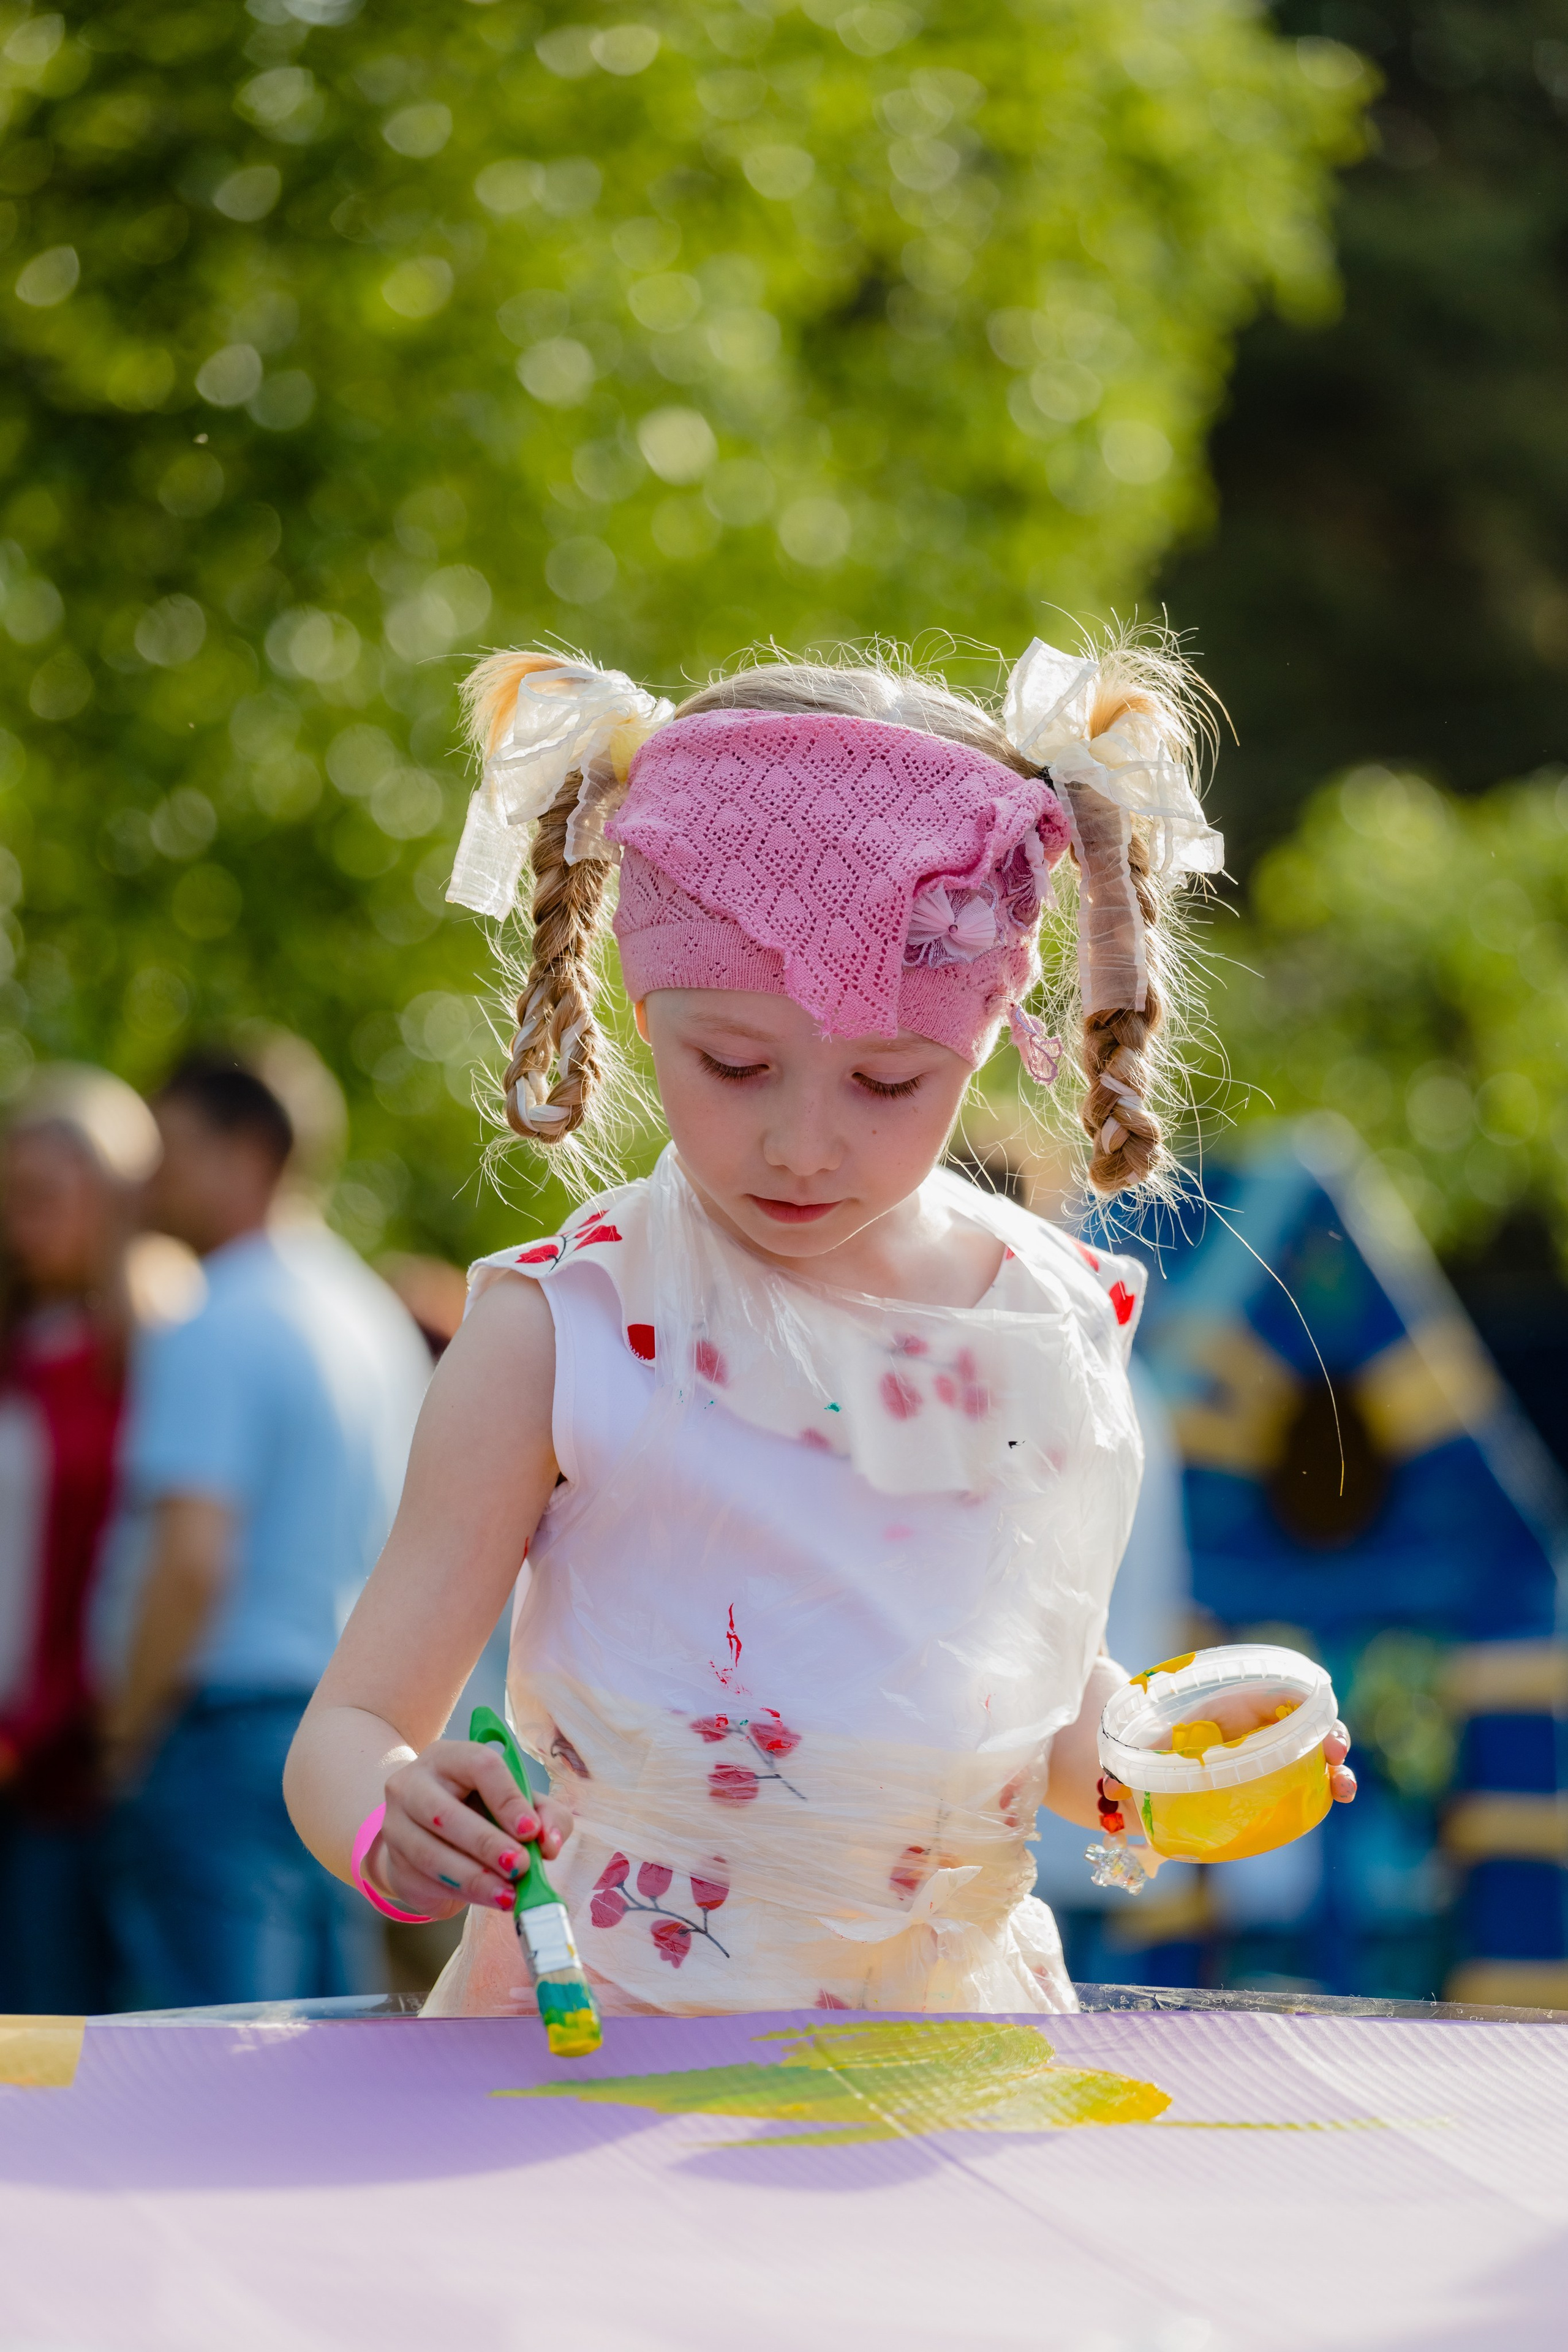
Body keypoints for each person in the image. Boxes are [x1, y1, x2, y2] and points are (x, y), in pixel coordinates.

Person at [285, 637, 1357, 2018]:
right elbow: (347, 1730)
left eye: (888, 1084)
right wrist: (396, 1816)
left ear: (983, 1042)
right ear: (638, 1000)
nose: (801, 1144)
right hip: (595, 2055)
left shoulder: (1044, 1325)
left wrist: (1152, 1760)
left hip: (943, 2071)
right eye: (734, 1066)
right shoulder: (574, 1328)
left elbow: (991, 1706)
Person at [97, 1054, 431, 2010]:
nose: (149, 1179)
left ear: (249, 1155)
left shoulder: (218, 1320)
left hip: (223, 1737)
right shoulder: (368, 1319)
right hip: (350, 1746)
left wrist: (125, 1737)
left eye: (173, 1150)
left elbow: (191, 1560)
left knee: (199, 2080)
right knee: (319, 2080)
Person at [0, 1066, 162, 2014]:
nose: (23, 1222)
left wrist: (41, 1725)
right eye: (13, 1196)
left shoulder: (160, 1346)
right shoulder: (19, 1346)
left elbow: (128, 1562)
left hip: (93, 1749)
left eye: (45, 1198)